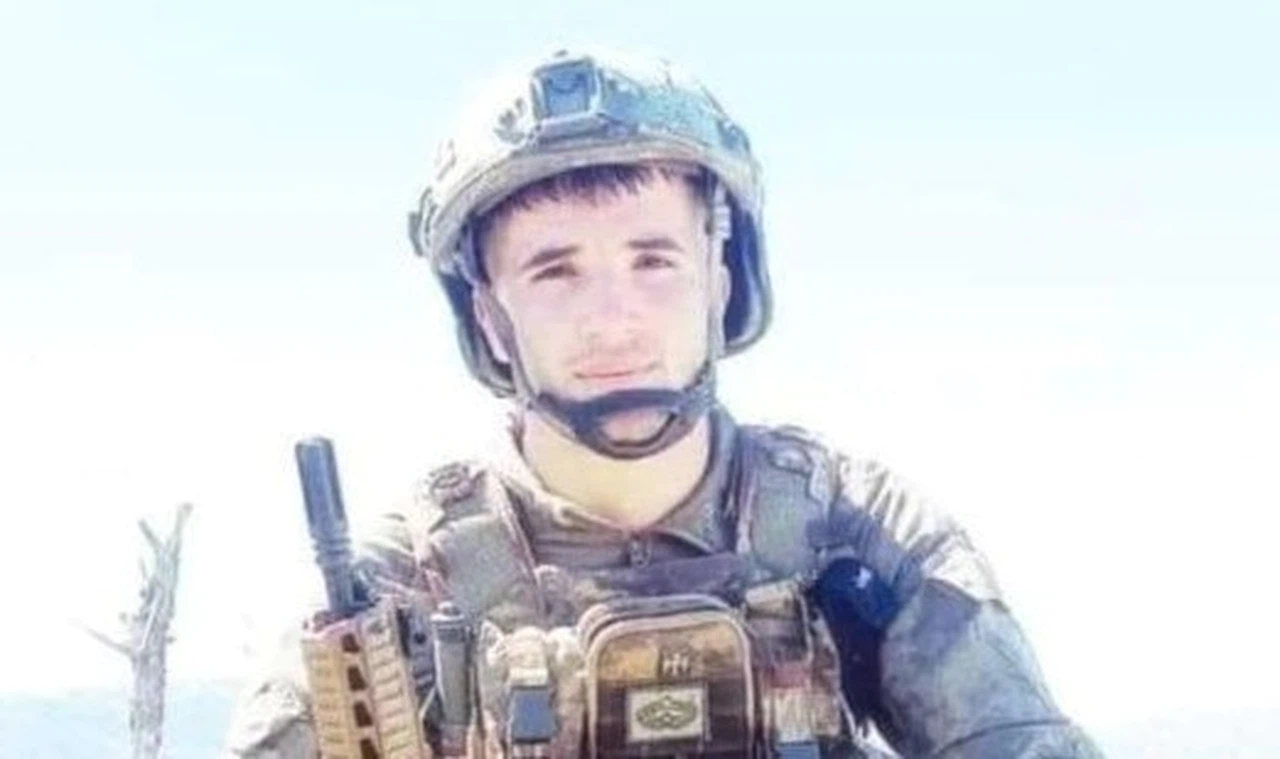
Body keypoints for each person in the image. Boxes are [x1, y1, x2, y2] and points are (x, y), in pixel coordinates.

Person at [225, 49, 1102, 758]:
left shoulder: (859, 535)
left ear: (721, 280)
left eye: (653, 260)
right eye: (555, 271)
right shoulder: (392, 600)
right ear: (489, 316)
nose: (614, 318)